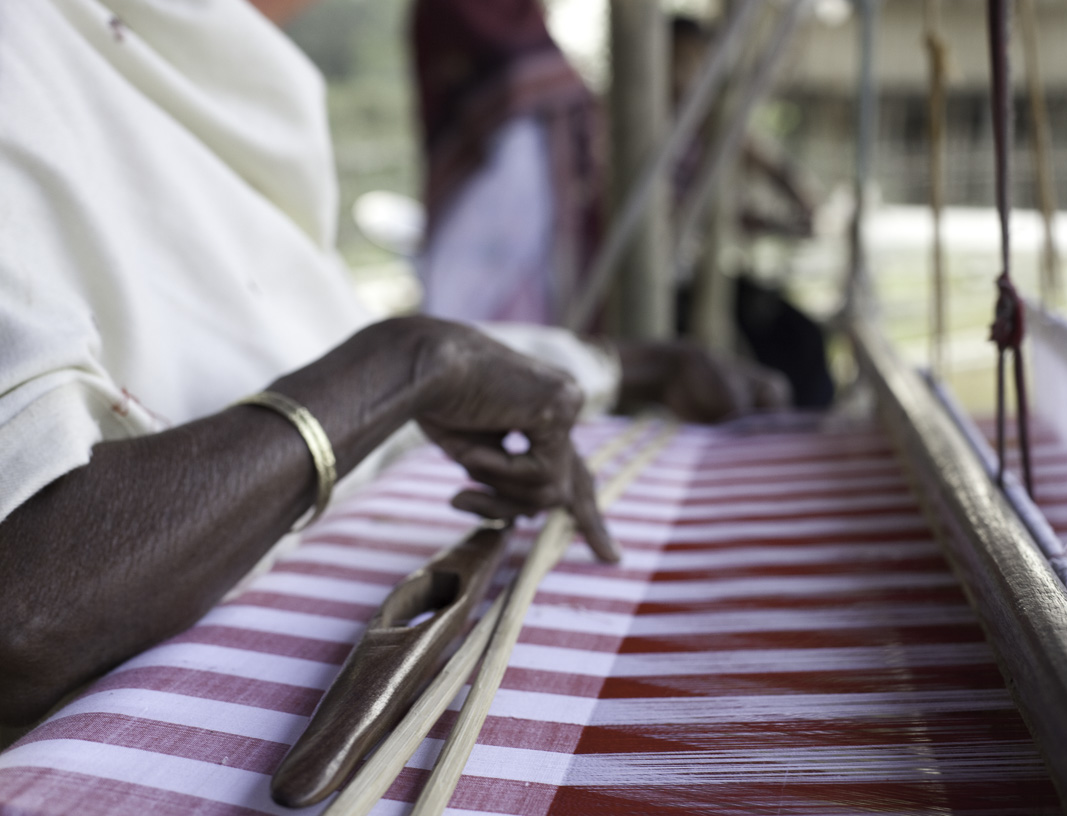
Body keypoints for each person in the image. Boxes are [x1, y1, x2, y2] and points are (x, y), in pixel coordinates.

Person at [0, 0, 787, 727]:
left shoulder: (184, 76)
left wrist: (625, 367)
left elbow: (314, 348)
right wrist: (406, 364)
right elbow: (25, 616)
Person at [410, 0, 601, 324]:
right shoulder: (452, 12)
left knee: (533, 285)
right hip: (485, 168)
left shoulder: (526, 19)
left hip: (536, 171)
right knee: (461, 292)